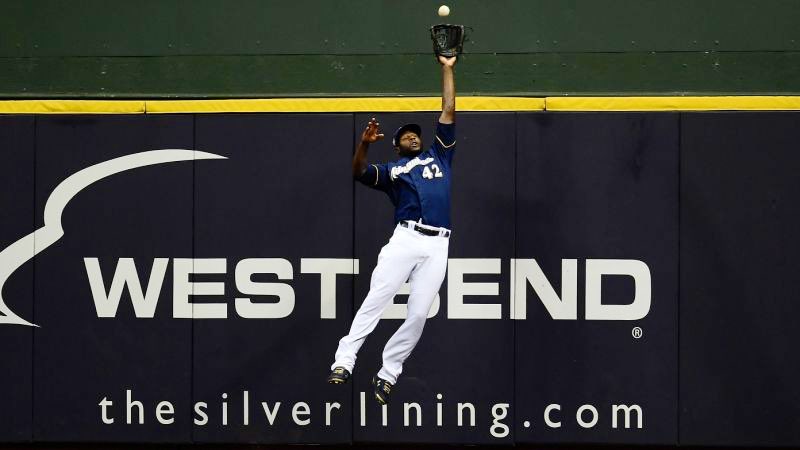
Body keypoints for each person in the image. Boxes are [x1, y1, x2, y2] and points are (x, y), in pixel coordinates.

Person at [327, 55, 457, 405]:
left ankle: (388, 373)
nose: (412, 137)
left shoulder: (439, 156)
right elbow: (358, 172)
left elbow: (448, 108)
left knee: (418, 314)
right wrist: (365, 143)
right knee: (377, 300)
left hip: (438, 245)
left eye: (415, 134)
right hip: (407, 238)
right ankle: (344, 360)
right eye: (405, 136)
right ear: (396, 145)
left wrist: (448, 68)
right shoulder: (392, 171)